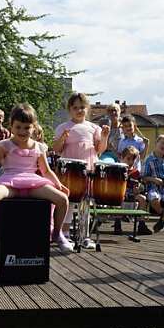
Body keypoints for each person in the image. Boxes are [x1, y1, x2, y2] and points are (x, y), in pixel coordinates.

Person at [0, 104, 72, 252]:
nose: (22, 131)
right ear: (11, 126)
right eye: (18, 127)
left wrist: (58, 184)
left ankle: (57, 233)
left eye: (26, 127)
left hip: (32, 183)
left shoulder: (39, 146)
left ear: (34, 127)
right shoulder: (5, 145)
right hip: (9, 182)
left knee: (62, 199)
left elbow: (46, 170)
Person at [53, 92, 110, 248]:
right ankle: (64, 234)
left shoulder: (93, 127)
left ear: (87, 108)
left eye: (82, 107)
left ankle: (84, 235)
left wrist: (104, 137)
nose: (79, 110)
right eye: (75, 107)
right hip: (71, 170)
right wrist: (63, 138)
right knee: (69, 201)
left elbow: (99, 150)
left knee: (85, 203)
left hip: (88, 167)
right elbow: (56, 149)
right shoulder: (64, 127)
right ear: (69, 109)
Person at [116, 146, 152, 241]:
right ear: (122, 157)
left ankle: (141, 224)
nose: (131, 161)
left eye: (133, 159)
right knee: (118, 197)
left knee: (143, 199)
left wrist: (138, 188)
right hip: (119, 193)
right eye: (128, 158)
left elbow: (141, 185)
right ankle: (117, 222)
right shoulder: (118, 169)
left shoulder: (136, 172)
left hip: (132, 193)